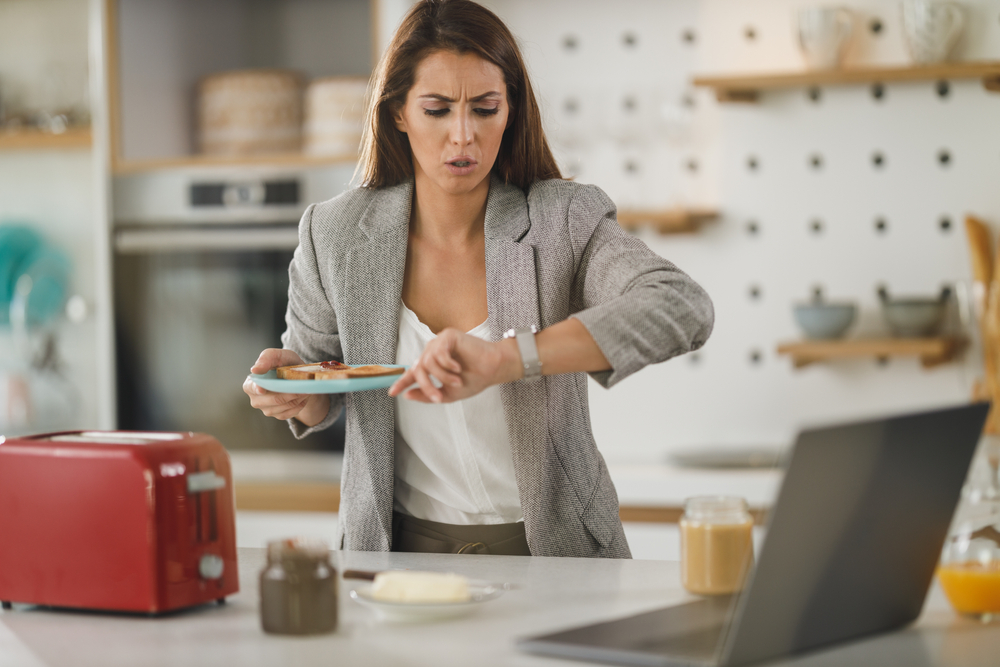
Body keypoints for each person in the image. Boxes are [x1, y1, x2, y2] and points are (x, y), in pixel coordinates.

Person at [243, 0, 713, 558]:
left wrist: (508, 359)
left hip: (555, 554)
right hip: (395, 556)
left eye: (485, 108)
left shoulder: (562, 220)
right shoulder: (336, 233)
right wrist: (295, 395)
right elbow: (321, 377)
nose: (463, 136)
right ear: (398, 112)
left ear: (510, 109)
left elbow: (682, 305)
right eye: (437, 110)